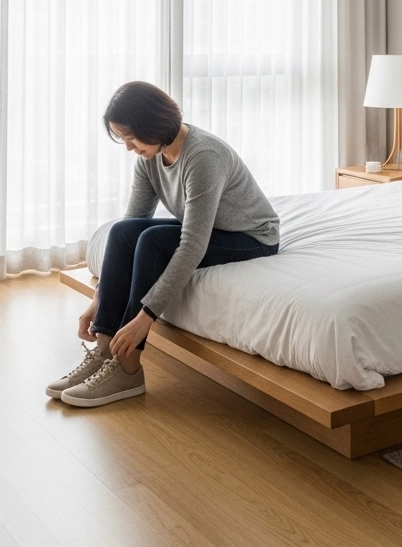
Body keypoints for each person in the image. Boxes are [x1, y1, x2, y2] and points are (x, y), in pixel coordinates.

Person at [48, 82, 279, 408]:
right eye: (122, 138)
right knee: (124, 231)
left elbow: (192, 245)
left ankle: (127, 369)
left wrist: (145, 319)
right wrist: (98, 301)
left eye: (131, 137)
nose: (128, 147)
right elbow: (131, 223)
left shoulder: (203, 156)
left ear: (152, 124)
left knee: (153, 241)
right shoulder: (149, 157)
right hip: (212, 229)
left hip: (253, 237)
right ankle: (104, 353)